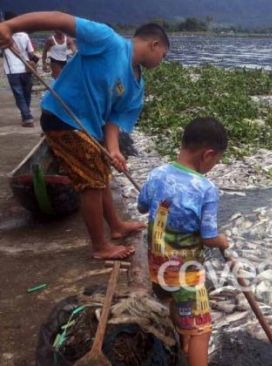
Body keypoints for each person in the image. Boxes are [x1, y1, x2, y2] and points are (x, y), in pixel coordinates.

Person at [0, 11, 169, 260]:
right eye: (163, 55)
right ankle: (100, 247)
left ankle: (117, 226)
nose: (161, 61)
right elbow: (58, 19)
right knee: (92, 181)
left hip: (89, 127)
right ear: (154, 44)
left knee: (102, 170)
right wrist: (10, 26)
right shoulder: (106, 40)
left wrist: (113, 149)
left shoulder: (136, 85)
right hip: (61, 116)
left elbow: (113, 119)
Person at [137, 117, 230, 366]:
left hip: (158, 269)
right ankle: (193, 348)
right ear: (207, 154)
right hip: (184, 274)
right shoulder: (206, 188)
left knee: (177, 304)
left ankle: (182, 340)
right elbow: (209, 237)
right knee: (202, 329)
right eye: (216, 160)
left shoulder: (157, 174)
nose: (214, 166)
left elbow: (142, 206)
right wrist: (223, 241)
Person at [1, 11, 36, 127]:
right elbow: (31, 53)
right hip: (26, 68)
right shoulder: (24, 35)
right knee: (26, 94)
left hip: (12, 71)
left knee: (19, 95)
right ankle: (26, 115)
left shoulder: (3, 36)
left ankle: (27, 117)